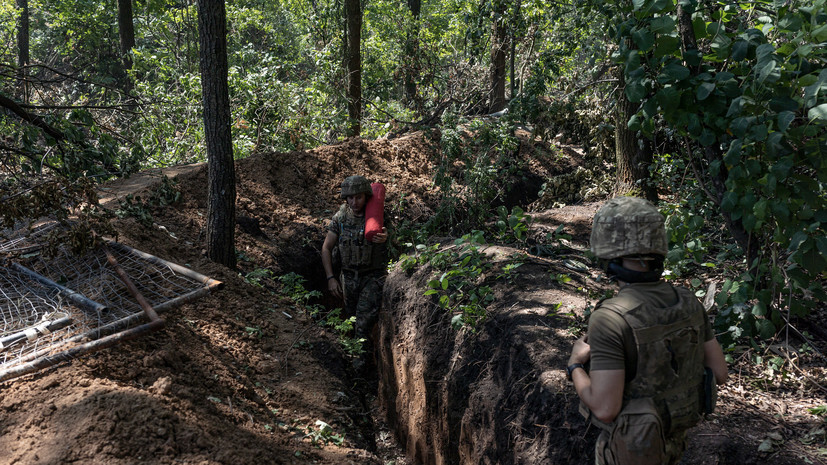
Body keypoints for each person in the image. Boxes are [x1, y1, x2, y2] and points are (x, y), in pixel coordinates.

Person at [567, 196, 728, 465]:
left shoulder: (609, 319)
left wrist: (575, 366)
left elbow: (606, 409)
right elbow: (719, 373)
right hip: (675, 443)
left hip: (629, 451)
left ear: (606, 254)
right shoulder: (688, 301)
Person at [321, 175, 389, 372]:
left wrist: (385, 238)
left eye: (358, 197)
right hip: (348, 278)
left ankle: (361, 372)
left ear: (366, 196)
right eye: (349, 198)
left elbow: (392, 243)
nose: (354, 202)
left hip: (372, 278)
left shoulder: (375, 218)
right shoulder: (340, 218)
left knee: (363, 324)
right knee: (351, 322)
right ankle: (354, 364)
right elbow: (326, 248)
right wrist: (330, 278)